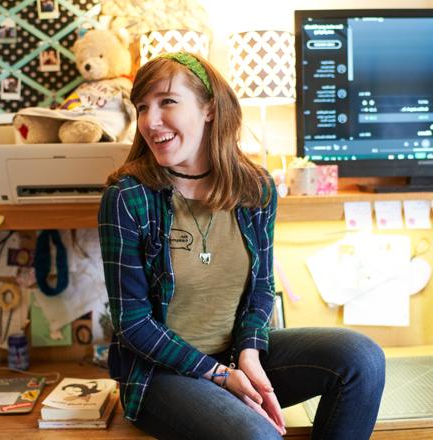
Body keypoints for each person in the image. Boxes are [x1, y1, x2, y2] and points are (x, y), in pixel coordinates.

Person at [98, 51, 386, 440]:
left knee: (362, 359)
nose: (150, 121)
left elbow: (261, 289)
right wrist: (219, 374)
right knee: (258, 437)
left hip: (236, 358)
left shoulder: (256, 188)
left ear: (210, 109)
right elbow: (133, 325)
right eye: (142, 107)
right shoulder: (127, 197)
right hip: (161, 375)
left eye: (167, 101)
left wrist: (249, 352)